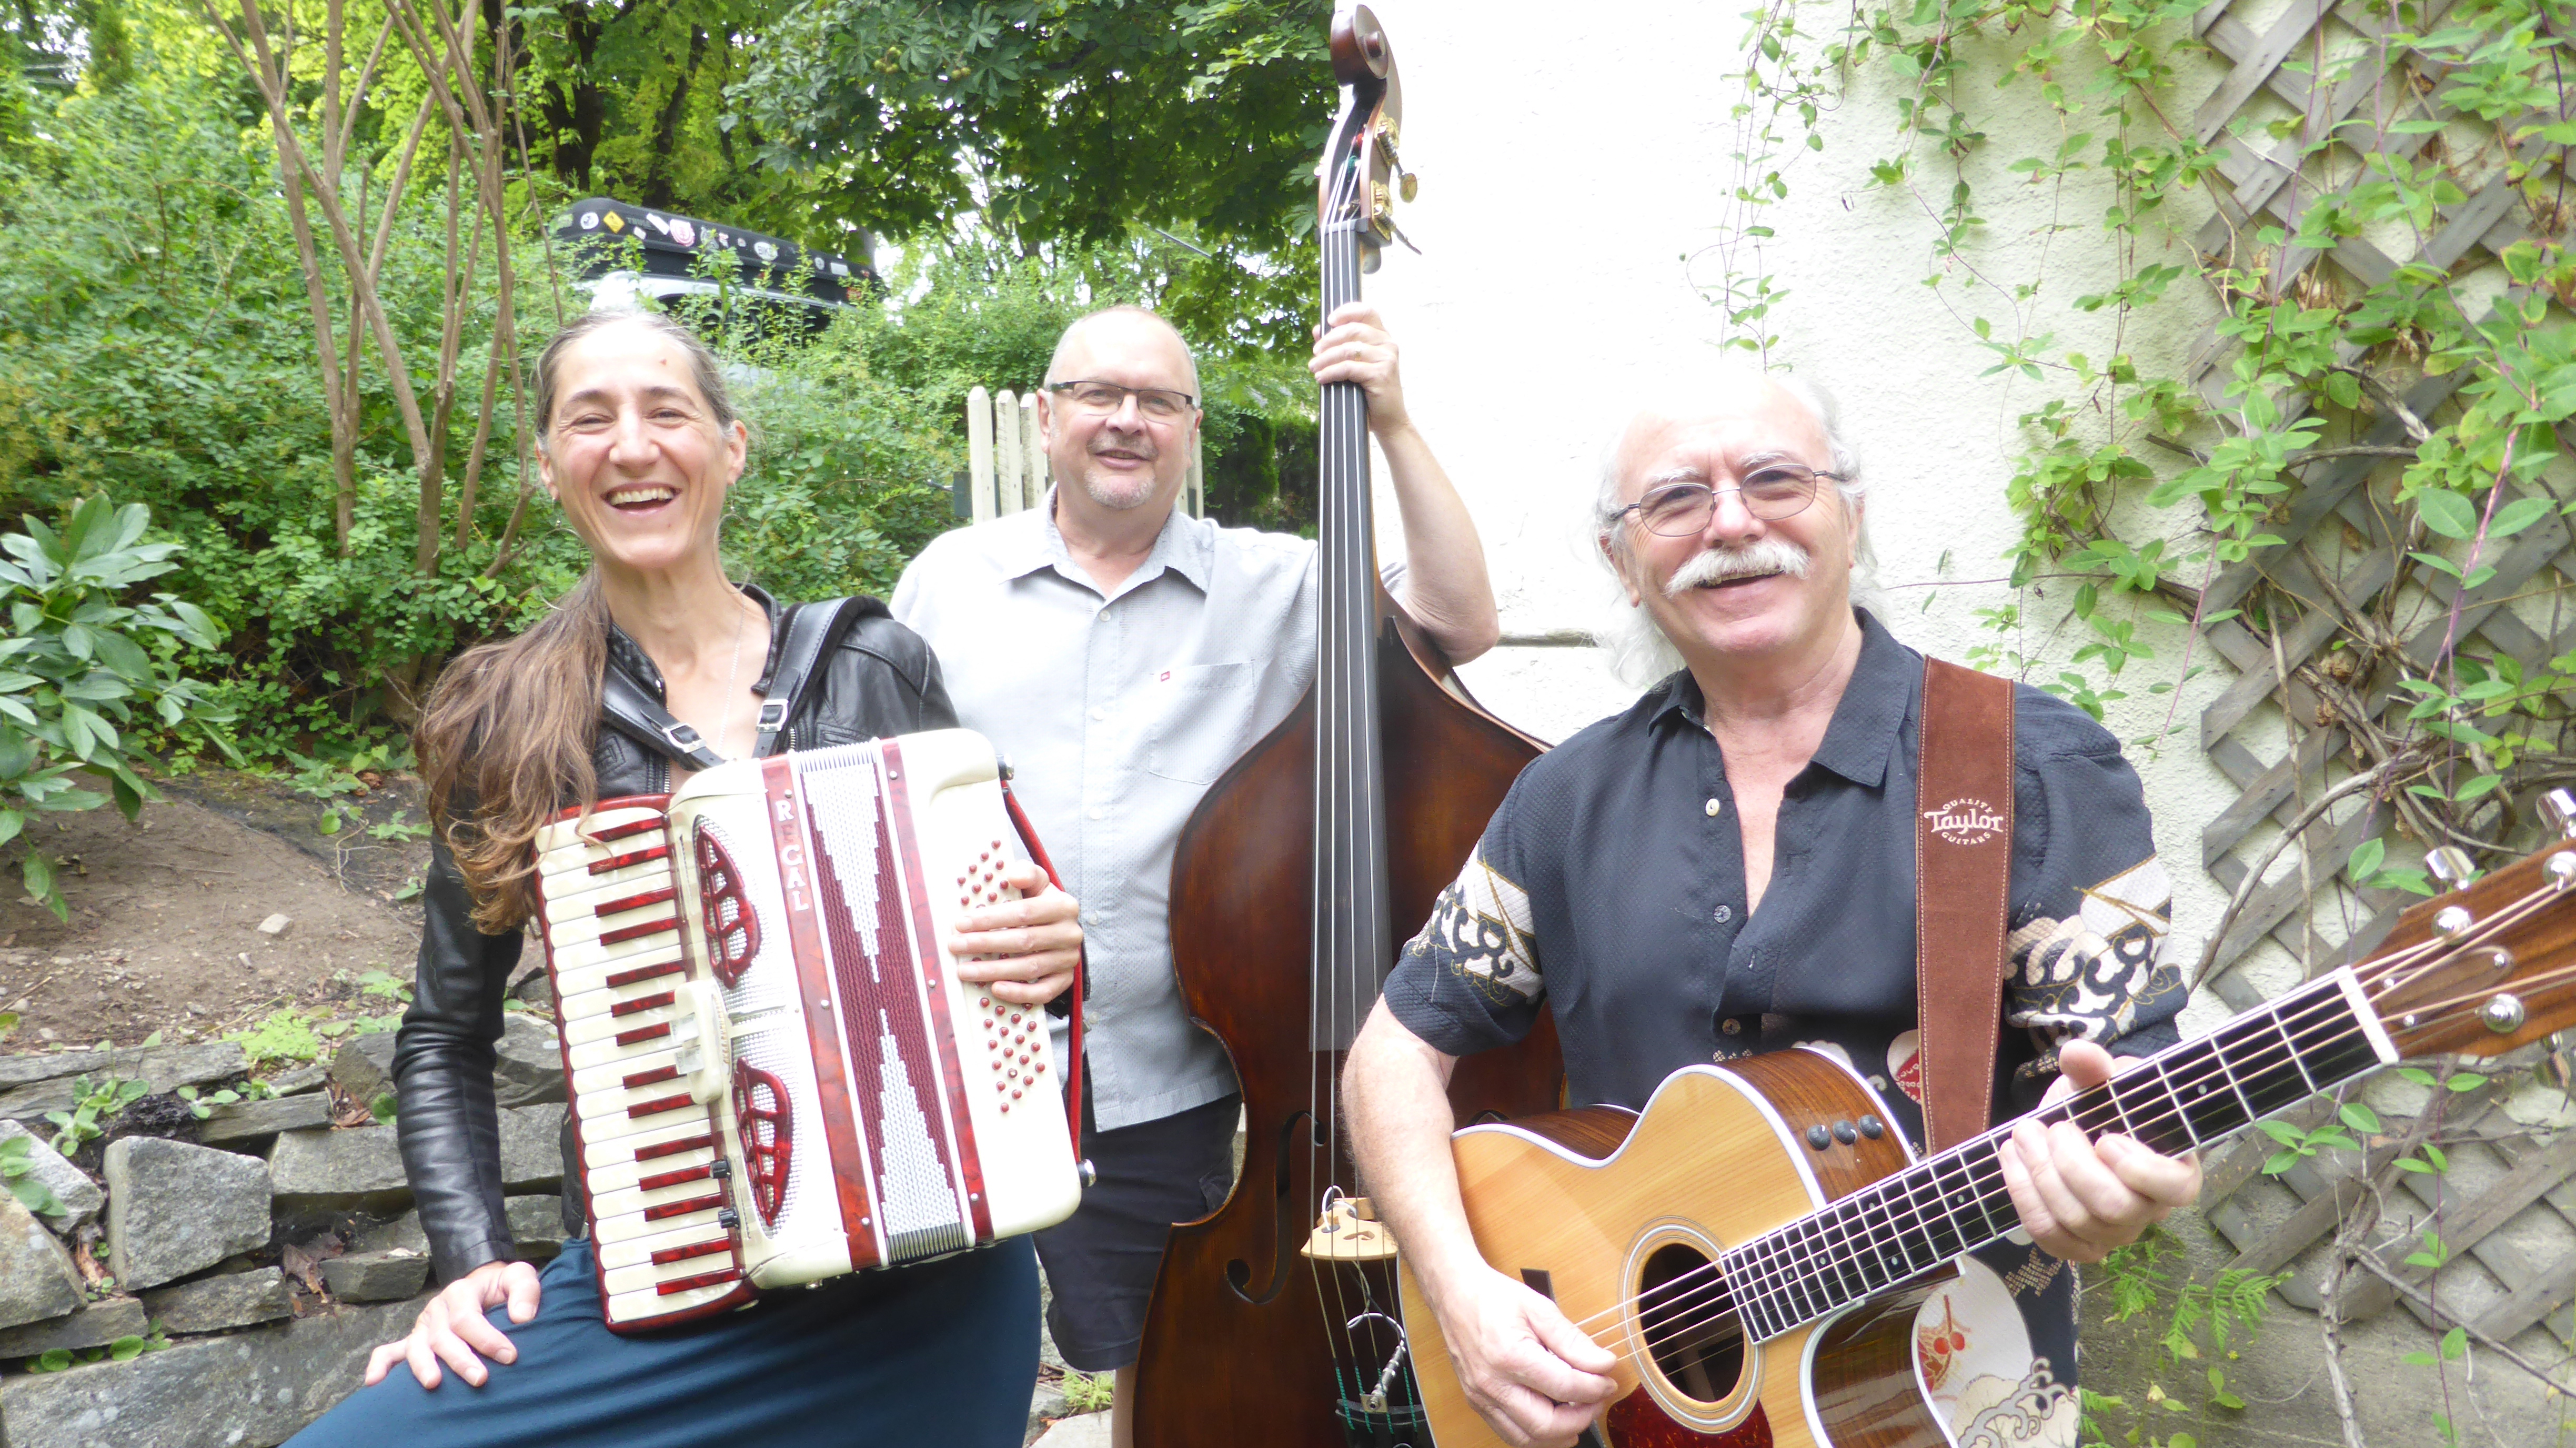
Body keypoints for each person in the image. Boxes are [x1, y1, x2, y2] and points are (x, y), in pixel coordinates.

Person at [1341, 367, 2203, 1448]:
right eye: (1676, 499)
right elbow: (1392, 1051)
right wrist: (1461, 1288)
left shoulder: (2028, 769)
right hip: (1625, 1403)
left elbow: (2147, 1100)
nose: (1734, 522)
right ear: (1622, 561)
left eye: (1775, 479)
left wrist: (2127, 1183)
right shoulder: (1567, 797)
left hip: (1933, 1407)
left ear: (1853, 514)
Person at [287, 309, 1082, 1448]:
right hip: (665, 1278)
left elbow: (1004, 963)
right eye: (590, 419)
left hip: (930, 1268)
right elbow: (442, 1033)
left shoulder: (870, 666)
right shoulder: (501, 716)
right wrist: (470, 1263)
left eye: (668, 412)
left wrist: (1043, 954)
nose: (633, 445)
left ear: (732, 445)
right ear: (549, 463)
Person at [891, 301, 1500, 1447]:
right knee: (928, 1357)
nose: (1126, 421)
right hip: (961, 1052)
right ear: (1048, 414)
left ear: (1191, 429)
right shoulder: (946, 580)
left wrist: (1397, 427)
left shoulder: (1274, 583)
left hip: (1154, 1074)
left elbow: (1462, 622)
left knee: (1142, 1366)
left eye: (1158, 401)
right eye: (1097, 395)